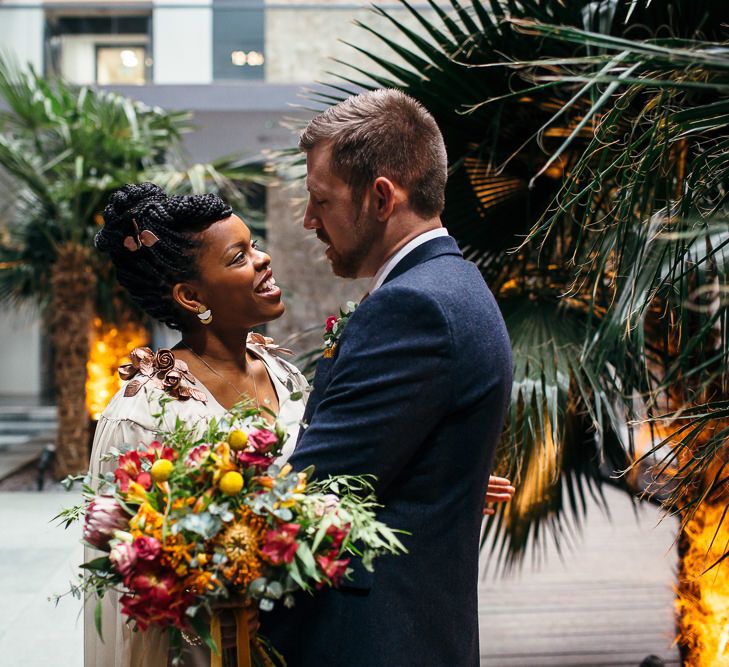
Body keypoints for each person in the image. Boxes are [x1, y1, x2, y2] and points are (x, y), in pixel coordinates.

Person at [261, 89, 514, 666]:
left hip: (373, 641)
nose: (308, 220)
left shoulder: (414, 309)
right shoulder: (456, 286)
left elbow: (313, 494)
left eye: (320, 200)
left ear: (380, 197)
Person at [86, 182, 308, 667]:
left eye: (255, 244)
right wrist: (208, 609)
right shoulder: (142, 413)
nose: (264, 258)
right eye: (239, 256)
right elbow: (126, 569)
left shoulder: (285, 375)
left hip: (303, 638)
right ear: (190, 295)